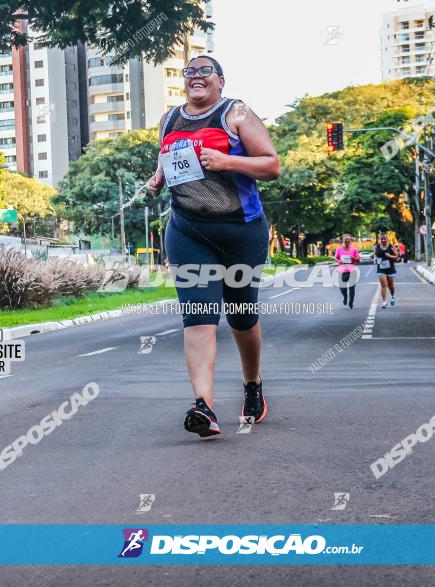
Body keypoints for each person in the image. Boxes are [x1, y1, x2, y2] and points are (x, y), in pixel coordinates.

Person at [147, 56, 280, 439]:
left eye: (205, 70)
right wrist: (157, 179)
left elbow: (271, 165)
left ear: (220, 81)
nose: (196, 76)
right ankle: (203, 406)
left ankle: (252, 383)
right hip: (187, 229)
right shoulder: (170, 119)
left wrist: (226, 161)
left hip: (241, 230)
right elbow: (169, 160)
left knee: (240, 314)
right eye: (190, 71)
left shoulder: (235, 112)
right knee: (199, 316)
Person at [333, 234, 360, 308]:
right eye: (346, 240)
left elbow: (358, 260)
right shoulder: (339, 249)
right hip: (342, 271)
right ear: (343, 241)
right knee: (342, 288)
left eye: (349, 240)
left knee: (352, 288)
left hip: (352, 271)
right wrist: (339, 261)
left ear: (350, 241)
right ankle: (345, 296)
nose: (347, 241)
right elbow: (335, 258)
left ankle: (351, 303)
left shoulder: (354, 249)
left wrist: (353, 258)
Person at [374, 233, 399, 307]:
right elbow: (375, 254)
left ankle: (392, 297)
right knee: (383, 285)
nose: (383, 240)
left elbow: (397, 257)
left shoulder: (391, 247)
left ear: (387, 239)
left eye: (384, 238)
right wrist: (375, 258)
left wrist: (390, 256)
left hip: (390, 268)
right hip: (381, 268)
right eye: (381, 239)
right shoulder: (377, 247)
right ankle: (384, 302)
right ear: (379, 239)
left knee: (390, 285)